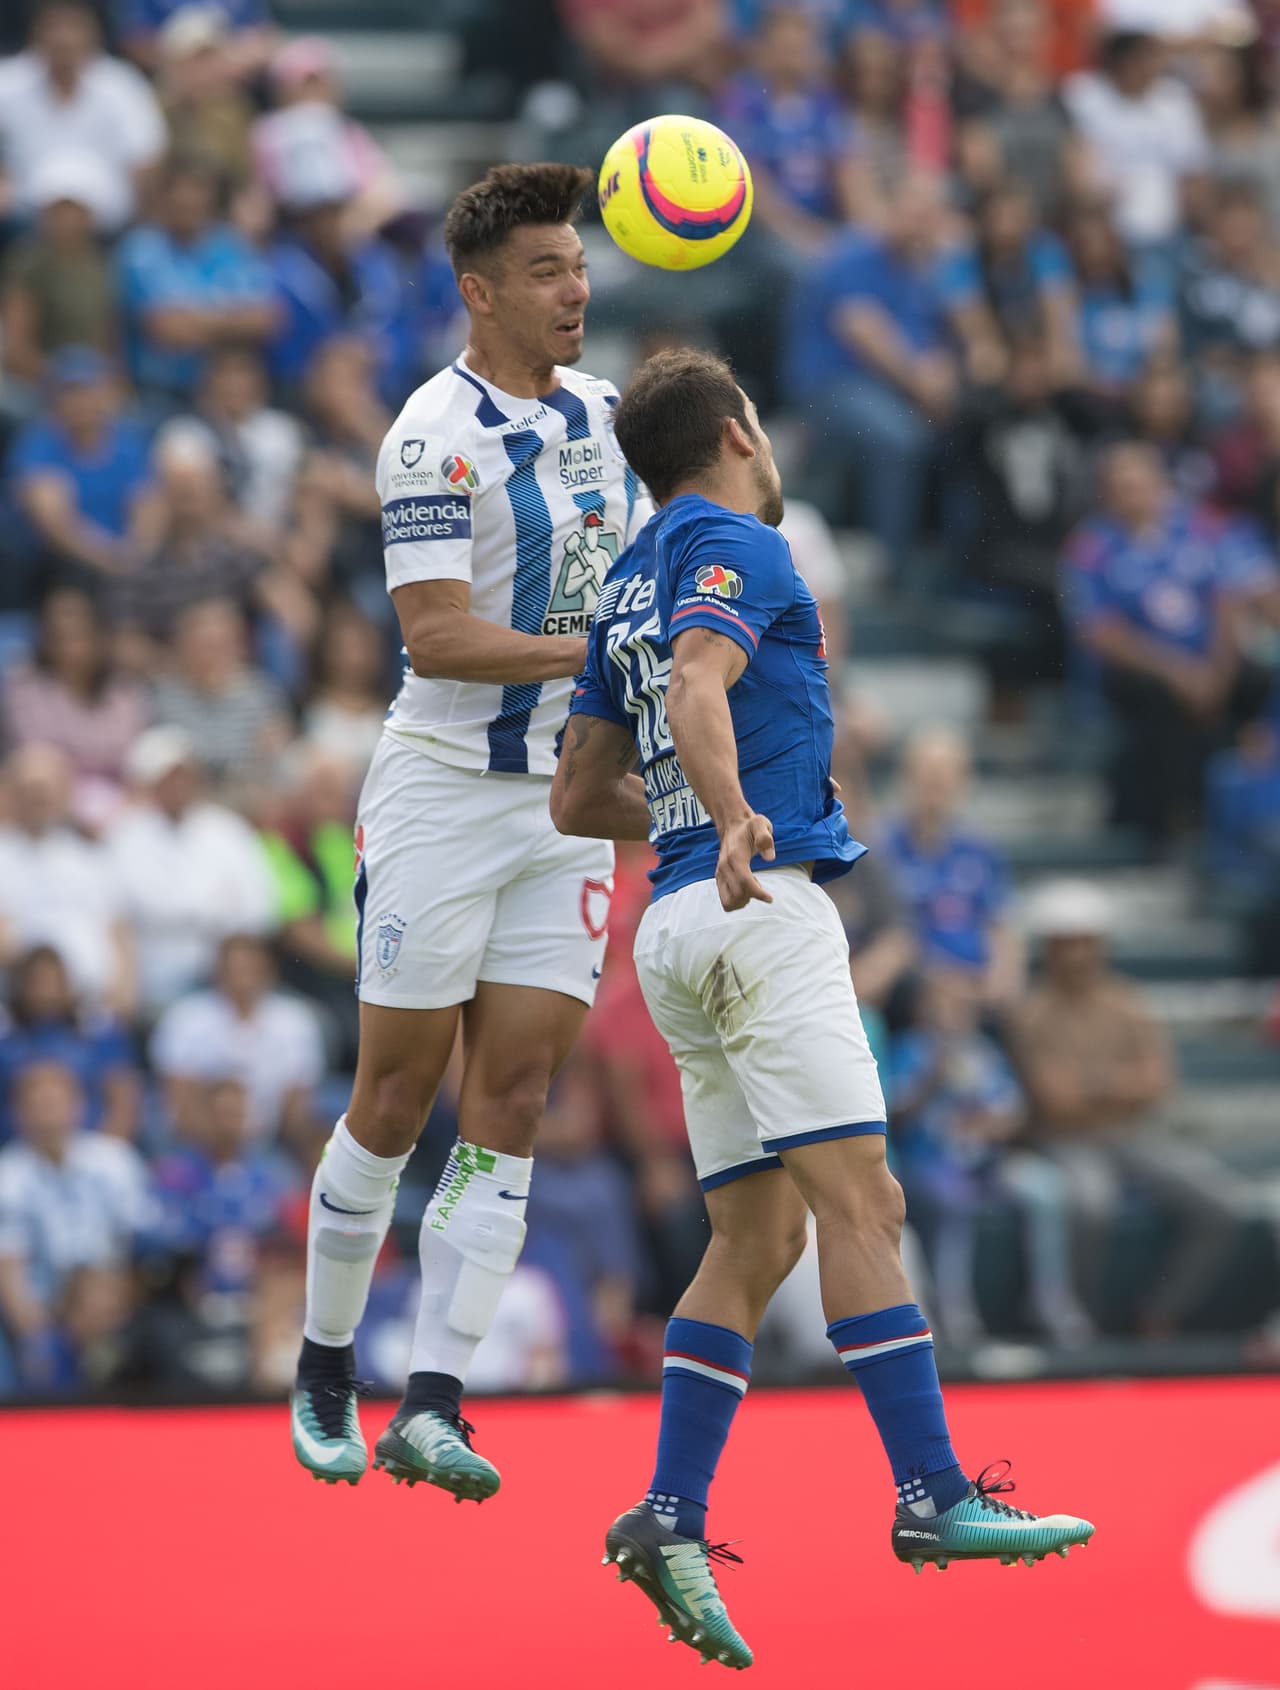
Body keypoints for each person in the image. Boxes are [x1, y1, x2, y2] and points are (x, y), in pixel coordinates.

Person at [551, 346, 1092, 1666]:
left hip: (675, 925)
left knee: (754, 1240)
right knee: (870, 1204)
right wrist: (736, 816)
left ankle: (670, 1511)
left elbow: (578, 796)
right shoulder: (738, 542)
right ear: (739, 429)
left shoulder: (627, 576)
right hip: (759, 902)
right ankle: (930, 1493)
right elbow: (697, 683)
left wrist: (689, 820)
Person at [288, 164, 652, 1500]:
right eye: (549, 271)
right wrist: (602, 644)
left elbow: (703, 510)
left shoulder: (610, 417)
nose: (577, 290)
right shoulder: (429, 437)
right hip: (443, 790)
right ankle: (327, 1359)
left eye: (581, 265)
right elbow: (435, 635)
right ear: (481, 293)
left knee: (513, 1103)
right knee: (393, 1099)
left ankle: (434, 1395)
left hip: (563, 803)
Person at [1011, 879, 1252, 1333]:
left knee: (1220, 1204)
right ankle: (1076, 1324)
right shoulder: (1032, 1011)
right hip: (1065, 1140)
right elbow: (1057, 1103)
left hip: (1131, 1136)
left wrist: (1093, 1084)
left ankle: (1160, 1313)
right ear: (1048, 948)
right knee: (1089, 1202)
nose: (1078, 954)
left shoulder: (1128, 1002)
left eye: (1087, 942)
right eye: (1067, 943)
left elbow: (1159, 1083)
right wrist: (1121, 1082)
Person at [890, 956, 1093, 1347]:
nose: (956, 1012)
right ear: (922, 1007)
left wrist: (991, 1124)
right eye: (945, 1003)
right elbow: (894, 1114)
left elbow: (1014, 1112)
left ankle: (1049, 1299)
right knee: (952, 1200)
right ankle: (955, 1313)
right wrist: (933, 1075)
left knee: (1046, 1188)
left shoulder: (983, 1052)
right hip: (928, 1165)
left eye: (964, 1005)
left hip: (986, 1163)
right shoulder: (909, 1049)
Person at [103, 726, 277, 1016]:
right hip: (153, 974)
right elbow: (119, 913)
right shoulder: (125, 836)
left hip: (226, 973)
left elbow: (261, 908)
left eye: (184, 776)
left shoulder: (228, 830)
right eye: (167, 778)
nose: (177, 786)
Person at [0, 1061, 152, 1391]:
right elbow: (8, 1271)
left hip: (116, 1300)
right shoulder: (7, 1176)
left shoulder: (115, 1160)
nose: (48, 1114)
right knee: (38, 1357)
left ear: (79, 1106)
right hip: (43, 1311)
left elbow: (142, 1248)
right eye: (37, 1105)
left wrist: (114, 1304)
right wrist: (38, 1332)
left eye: (56, 1102)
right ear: (18, 1113)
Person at [115, 153, 276, 405]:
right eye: (181, 195)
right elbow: (166, 329)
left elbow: (265, 319)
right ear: (164, 199)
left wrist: (194, 320)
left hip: (226, 395)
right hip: (157, 391)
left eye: (198, 193)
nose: (189, 202)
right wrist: (230, 320)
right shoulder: (141, 249)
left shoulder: (231, 246)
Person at [879, 726, 1023, 1004]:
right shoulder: (881, 849)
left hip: (976, 992)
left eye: (945, 775)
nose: (935, 783)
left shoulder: (981, 851)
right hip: (909, 991)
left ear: (964, 781)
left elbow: (1001, 926)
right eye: (926, 774)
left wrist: (999, 980)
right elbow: (886, 938)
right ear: (905, 778)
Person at [0, 0, 166, 235]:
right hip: (23, 222)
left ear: (94, 35)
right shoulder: (6, 83)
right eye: (54, 27)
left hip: (106, 225)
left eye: (73, 27)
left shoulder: (123, 85)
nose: (63, 38)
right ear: (35, 33)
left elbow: (146, 159)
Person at [151, 933, 325, 1153]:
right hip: (197, 1143)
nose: (243, 978)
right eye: (234, 969)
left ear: (268, 972)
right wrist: (224, 1148)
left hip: (269, 1145)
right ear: (218, 973)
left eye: (250, 969)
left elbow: (297, 1106)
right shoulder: (186, 1018)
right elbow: (179, 1099)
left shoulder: (295, 1021)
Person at [7, 348, 164, 591]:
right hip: (53, 568)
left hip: (125, 563)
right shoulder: (39, 443)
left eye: (89, 391)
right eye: (71, 393)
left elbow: (148, 505)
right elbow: (52, 519)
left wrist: (136, 553)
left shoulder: (129, 442)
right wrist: (111, 559)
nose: (81, 402)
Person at [1, 586, 148, 826]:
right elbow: (37, 751)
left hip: (121, 801)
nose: (72, 647)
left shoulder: (123, 689)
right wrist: (82, 803)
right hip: (51, 801)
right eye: (62, 638)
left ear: (98, 639)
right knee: (37, 768)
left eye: (80, 636)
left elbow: (132, 750)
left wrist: (113, 802)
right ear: (46, 642)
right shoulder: (24, 687)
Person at [0, 152, 117, 390]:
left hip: (88, 387)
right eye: (59, 211)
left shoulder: (100, 266)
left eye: (74, 210)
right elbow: (17, 349)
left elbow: (106, 339)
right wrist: (64, 384)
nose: (67, 220)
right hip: (39, 386)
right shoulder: (28, 264)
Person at [0, 946, 139, 1146]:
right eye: (37, 982)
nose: (45, 991)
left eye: (53, 981)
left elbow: (123, 1099)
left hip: (92, 1149)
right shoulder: (6, 1041)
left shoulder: (98, 1033)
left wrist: (106, 1151)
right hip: (14, 1157)